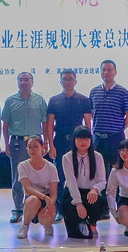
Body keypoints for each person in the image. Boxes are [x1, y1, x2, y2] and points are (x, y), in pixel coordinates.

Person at [2, 72, 48, 223]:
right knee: (18, 177)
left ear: (32, 82)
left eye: (27, 79)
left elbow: (45, 123)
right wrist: (6, 143)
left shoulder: (40, 100)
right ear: (17, 82)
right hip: (18, 143)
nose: (24, 82)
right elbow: (5, 125)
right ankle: (18, 209)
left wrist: (46, 142)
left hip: (36, 142)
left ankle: (36, 208)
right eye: (21, 80)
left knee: (37, 176)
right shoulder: (10, 101)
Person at [46, 69, 92, 222]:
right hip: (59, 141)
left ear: (75, 81)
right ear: (60, 81)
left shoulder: (83, 100)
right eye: (64, 79)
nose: (67, 82)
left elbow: (87, 124)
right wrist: (51, 144)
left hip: (78, 143)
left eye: (70, 79)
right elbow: (50, 124)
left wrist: (87, 144)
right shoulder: (54, 100)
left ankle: (79, 207)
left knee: (79, 175)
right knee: (59, 177)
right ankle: (60, 209)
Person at [90, 60, 128, 177]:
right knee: (98, 170)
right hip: (98, 138)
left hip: (115, 138)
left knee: (117, 169)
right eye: (103, 70)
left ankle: (116, 190)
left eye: (109, 70)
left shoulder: (122, 92)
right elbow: (91, 113)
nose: (106, 72)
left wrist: (119, 128)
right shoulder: (94, 92)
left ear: (115, 72)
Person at [61, 126, 107, 239]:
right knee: (74, 235)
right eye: (80, 139)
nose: (83, 142)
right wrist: (78, 203)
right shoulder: (67, 157)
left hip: (90, 192)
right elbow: (71, 182)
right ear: (74, 140)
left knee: (96, 202)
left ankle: (92, 223)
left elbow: (102, 180)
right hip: (73, 192)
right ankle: (80, 223)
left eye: (86, 139)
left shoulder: (97, 156)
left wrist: (95, 189)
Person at [15, 135, 58, 239]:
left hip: (47, 197)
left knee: (47, 217)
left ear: (42, 147)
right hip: (33, 197)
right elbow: (28, 188)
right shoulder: (22, 165)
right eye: (30, 147)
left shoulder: (51, 167)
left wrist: (50, 203)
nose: (33, 150)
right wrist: (45, 198)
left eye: (36, 147)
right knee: (32, 200)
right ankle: (25, 226)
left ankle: (47, 225)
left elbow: (54, 194)